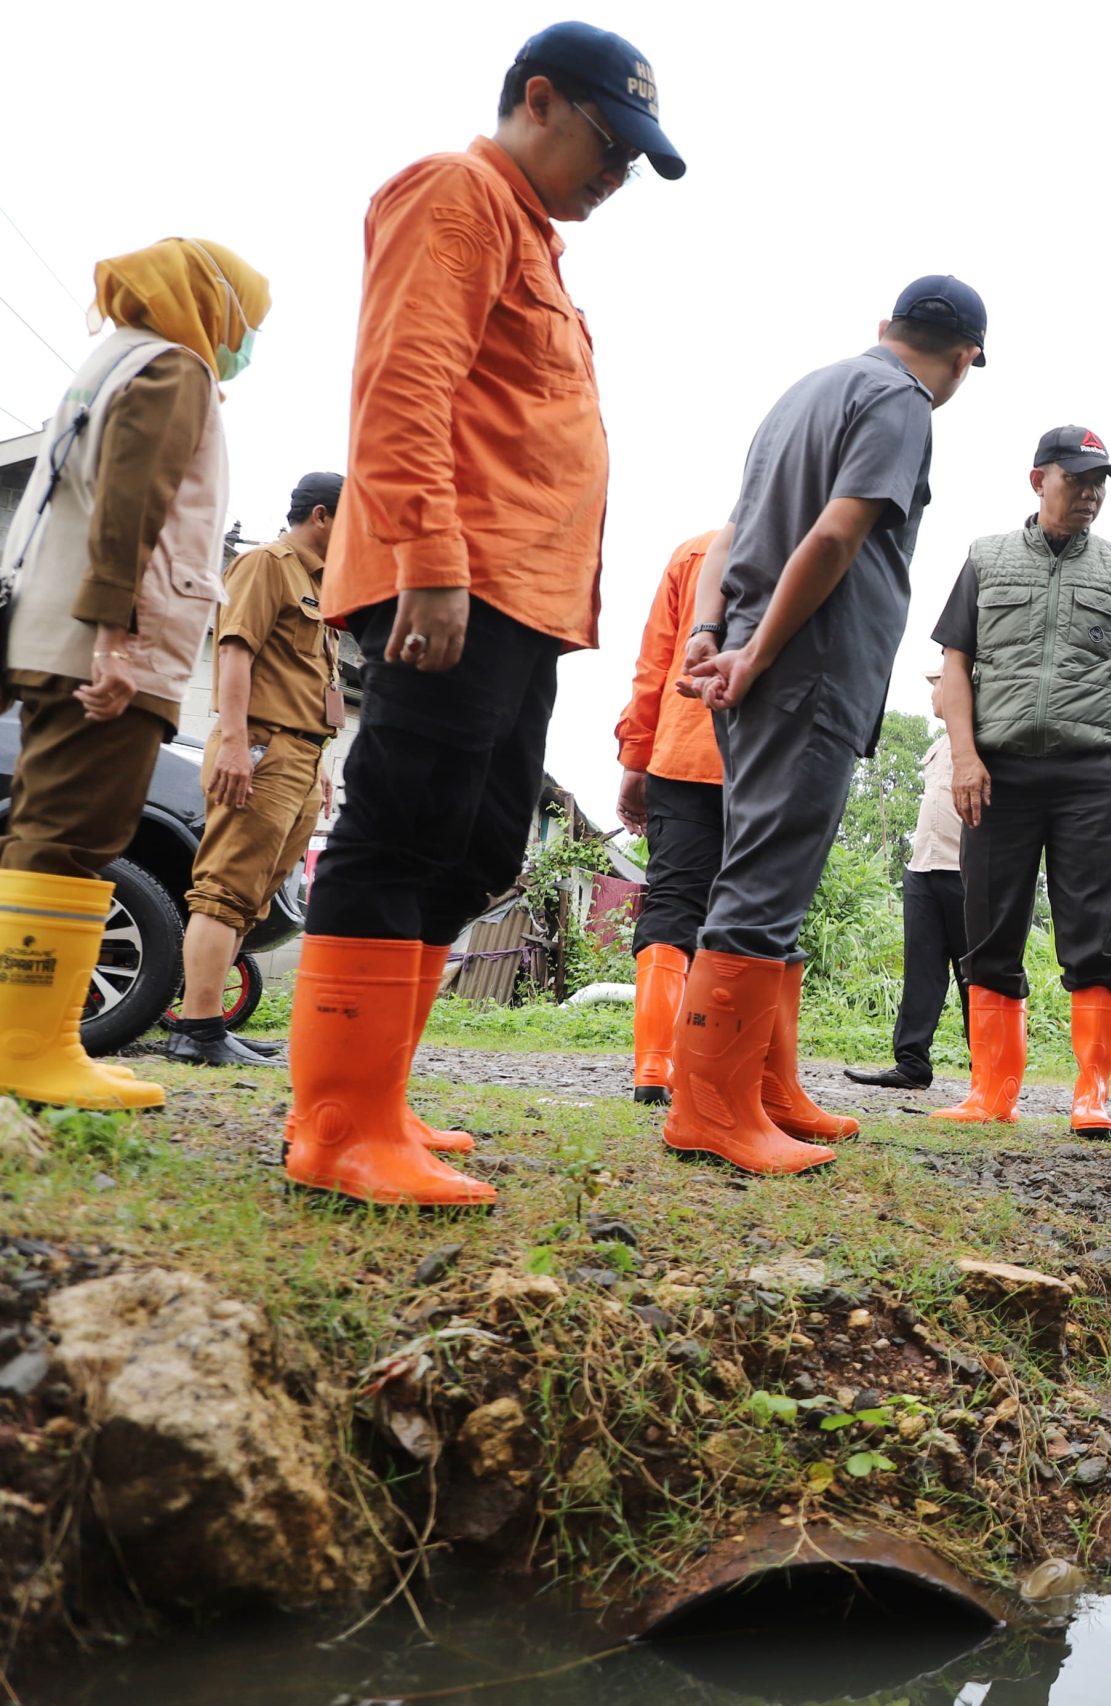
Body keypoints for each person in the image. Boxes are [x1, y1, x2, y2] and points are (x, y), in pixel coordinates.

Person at [282, 21, 685, 1207]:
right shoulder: (457, 192)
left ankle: (379, 1096)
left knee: (472, 845)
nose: (616, 178)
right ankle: (336, 1126)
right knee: (401, 826)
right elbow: (404, 377)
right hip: (456, 584)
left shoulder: (532, 237)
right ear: (540, 100)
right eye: (610, 147)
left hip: (520, 600)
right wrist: (432, 560)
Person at [670, 276, 986, 1176]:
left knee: (767, 871)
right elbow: (837, 536)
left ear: (885, 326)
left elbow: (731, 536)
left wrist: (712, 636)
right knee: (763, 883)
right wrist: (762, 654)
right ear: (965, 357)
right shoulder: (902, 401)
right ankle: (710, 1111)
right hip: (802, 668)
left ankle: (765, 1092)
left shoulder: (804, 394)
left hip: (751, 654)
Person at [0, 238, 269, 1111]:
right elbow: (131, 501)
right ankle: (28, 1048)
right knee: (73, 838)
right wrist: (114, 638)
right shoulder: (174, 368)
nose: (241, 340)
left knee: (47, 828)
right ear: (210, 302)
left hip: (54, 634)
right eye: (244, 321)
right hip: (107, 646)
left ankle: (37, 1042)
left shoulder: (111, 359)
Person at [924, 426, 1111, 1135]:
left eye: (1100, 483)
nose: (1090, 494)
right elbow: (957, 662)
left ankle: (1091, 1095)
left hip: (1090, 774)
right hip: (997, 773)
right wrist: (965, 757)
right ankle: (991, 1093)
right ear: (1039, 480)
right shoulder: (986, 558)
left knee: (1091, 930)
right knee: (990, 928)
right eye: (1077, 480)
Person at [168, 471, 346, 1068]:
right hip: (263, 746)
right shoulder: (266, 564)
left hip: (299, 754)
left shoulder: (317, 582)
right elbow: (235, 650)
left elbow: (306, 679)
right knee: (224, 888)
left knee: (253, 898)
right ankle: (195, 1029)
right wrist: (238, 742)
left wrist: (318, 761)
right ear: (321, 516)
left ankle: (211, 1023)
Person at [612, 527, 725, 1103]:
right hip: (773, 764)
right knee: (758, 911)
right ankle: (726, 1068)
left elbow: (656, 662)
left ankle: (653, 1067)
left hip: (683, 751)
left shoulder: (694, 552)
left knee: (674, 899)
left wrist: (635, 757)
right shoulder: (816, 546)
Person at [844, 660, 969, 1090]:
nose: (933, 694)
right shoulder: (938, 744)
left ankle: (990, 1072)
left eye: (938, 685)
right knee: (921, 971)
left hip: (965, 872)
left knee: (977, 973)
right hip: (924, 869)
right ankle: (912, 1063)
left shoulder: (984, 740)